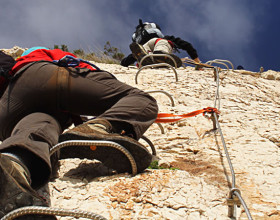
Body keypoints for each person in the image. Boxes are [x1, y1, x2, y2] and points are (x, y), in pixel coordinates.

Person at [0, 47, 158, 219]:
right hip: (44, 77)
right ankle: (98, 129)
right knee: (143, 100)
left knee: (40, 128)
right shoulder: (38, 52)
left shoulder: (15, 65)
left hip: (8, 109)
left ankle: (14, 167)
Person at [121, 19, 201, 68]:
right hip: (159, 44)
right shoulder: (165, 38)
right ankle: (161, 56)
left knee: (142, 51)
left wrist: (124, 63)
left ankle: (147, 59)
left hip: (146, 50)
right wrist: (197, 61)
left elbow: (132, 56)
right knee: (162, 43)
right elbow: (186, 45)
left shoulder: (141, 46)